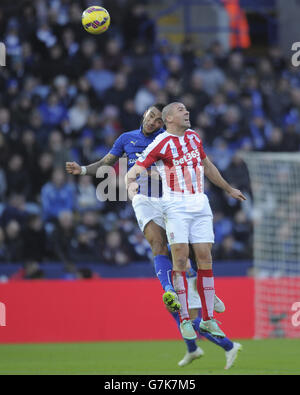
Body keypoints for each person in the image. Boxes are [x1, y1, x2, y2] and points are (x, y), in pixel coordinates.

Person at [126, 102, 246, 340]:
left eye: (186, 109)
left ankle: (209, 319)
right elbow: (135, 169)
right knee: (180, 257)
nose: (187, 112)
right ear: (169, 118)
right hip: (176, 206)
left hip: (200, 204)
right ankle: (185, 321)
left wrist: (228, 188)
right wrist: (131, 183)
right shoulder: (160, 144)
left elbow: (207, 165)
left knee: (205, 256)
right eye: (181, 110)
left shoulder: (193, 137)